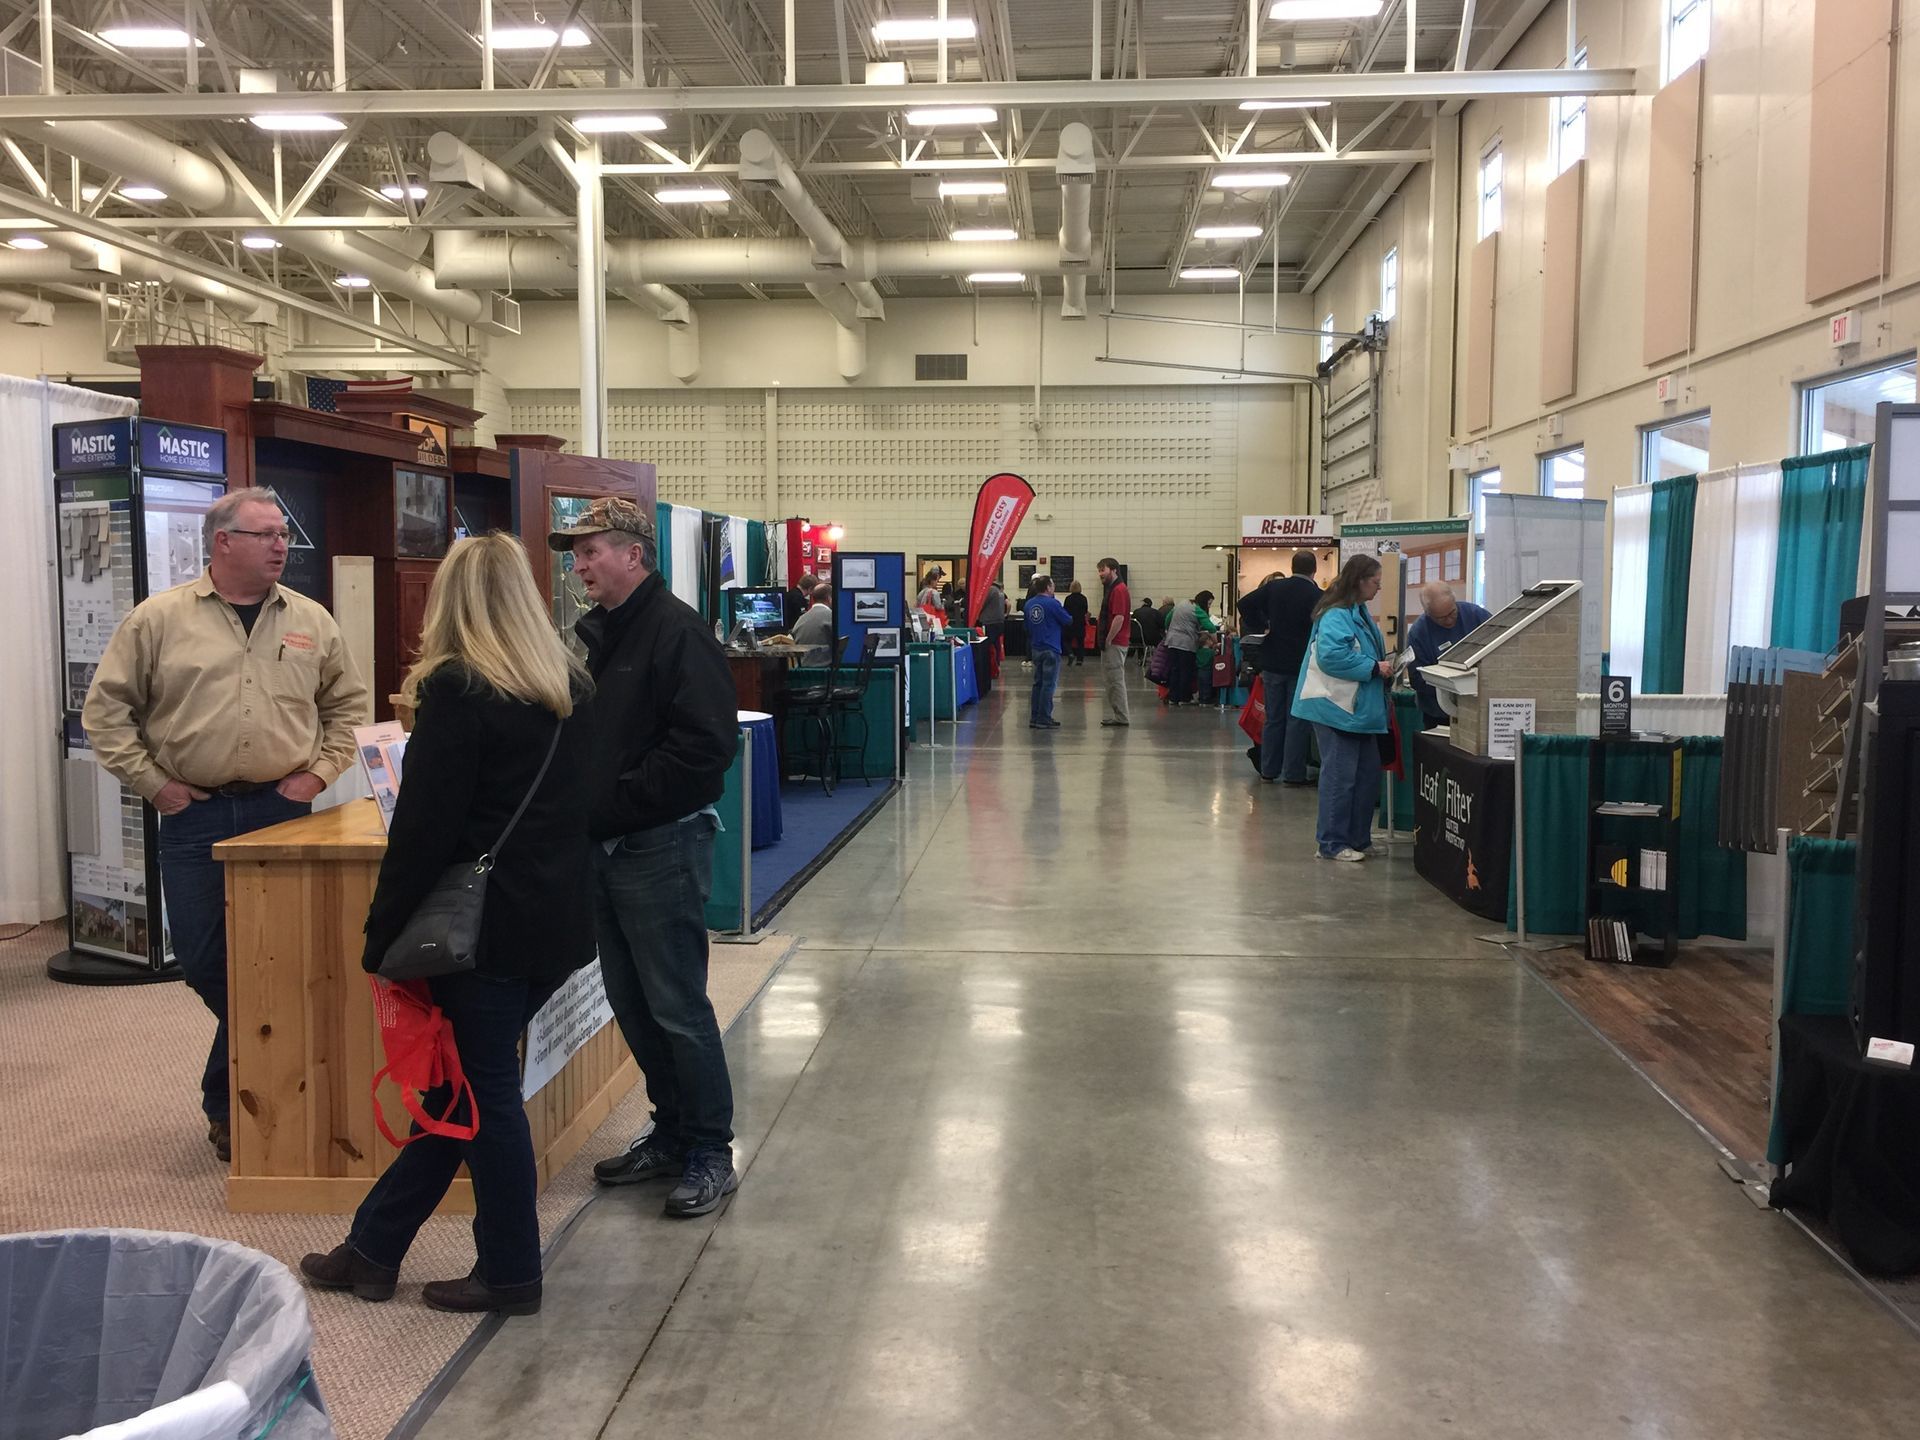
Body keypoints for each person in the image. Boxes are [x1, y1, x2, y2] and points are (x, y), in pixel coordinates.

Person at [300, 533, 594, 1317]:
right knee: (461, 1090)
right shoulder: (568, 687)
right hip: (552, 926)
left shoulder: (460, 692)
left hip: (481, 933)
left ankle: (510, 1273)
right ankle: (373, 1248)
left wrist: (380, 937)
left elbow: (424, 834)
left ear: (451, 602)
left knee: (482, 1098)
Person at [82, 488, 368, 1163]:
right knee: (212, 961)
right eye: (266, 534)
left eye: (283, 537)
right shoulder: (158, 620)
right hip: (195, 815)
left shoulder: (311, 620)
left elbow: (348, 706)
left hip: (283, 810)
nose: (281, 547)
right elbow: (106, 713)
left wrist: (319, 774)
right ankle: (256, 1076)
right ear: (222, 542)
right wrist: (155, 785)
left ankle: (228, 1103)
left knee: (281, 959)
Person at [560, 498, 744, 1218]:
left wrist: (615, 803)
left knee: (676, 1007)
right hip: (606, 847)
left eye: (589, 553)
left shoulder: (677, 633)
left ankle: (708, 1150)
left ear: (633, 554)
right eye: (575, 556)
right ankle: (670, 1132)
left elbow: (705, 750)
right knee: (632, 1004)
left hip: (659, 846)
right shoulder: (600, 635)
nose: (579, 568)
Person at [1290, 555, 1392, 862]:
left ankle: (1358, 839)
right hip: (1336, 708)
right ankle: (1332, 843)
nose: (1379, 587)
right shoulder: (1336, 615)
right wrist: (1375, 668)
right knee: (1340, 778)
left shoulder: (1356, 611)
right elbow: (1332, 657)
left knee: (1365, 777)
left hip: (1357, 710)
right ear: (1360, 581)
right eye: (1375, 581)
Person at [1250, 551, 1323, 785]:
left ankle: (1268, 770)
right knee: (1296, 720)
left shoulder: (1275, 588)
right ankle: (1293, 773)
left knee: (1273, 718)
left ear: (1292, 567)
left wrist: (1263, 625)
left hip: (1272, 661)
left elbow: (1245, 604)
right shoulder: (1316, 594)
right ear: (1314, 570)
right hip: (1300, 664)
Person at [1406, 580, 1491, 728]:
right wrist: (1452, 688)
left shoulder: (1476, 615)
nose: (1449, 620)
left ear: (1454, 601)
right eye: (1441, 618)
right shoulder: (1418, 633)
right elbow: (1417, 679)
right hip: (1439, 713)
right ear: (1428, 613)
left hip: (1479, 707)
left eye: (1452, 613)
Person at [1023, 576, 1074, 730]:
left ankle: (1034, 716)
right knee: (1048, 685)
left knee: (1037, 683)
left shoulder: (1029, 604)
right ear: (1048, 587)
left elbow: (1026, 627)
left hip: (1036, 648)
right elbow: (1067, 620)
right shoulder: (1053, 604)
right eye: (1052, 585)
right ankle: (1044, 718)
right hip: (1051, 647)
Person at [1162, 590, 1220, 706]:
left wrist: (1170, 631)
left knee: (1175, 670)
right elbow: (1211, 628)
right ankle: (1185, 698)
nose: (1209, 606)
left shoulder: (1182, 603)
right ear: (1204, 601)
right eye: (1209, 604)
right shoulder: (1198, 610)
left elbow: (1168, 619)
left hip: (1172, 642)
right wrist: (1215, 643)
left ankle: (1173, 698)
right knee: (1186, 671)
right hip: (1186, 644)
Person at [1096, 558, 1131, 727]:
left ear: (1114, 570)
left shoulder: (1118, 590)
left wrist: (1108, 639)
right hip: (1115, 641)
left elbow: (1119, 617)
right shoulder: (1116, 589)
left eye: (1103, 570)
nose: (1100, 574)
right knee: (1112, 680)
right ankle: (1119, 715)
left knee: (1115, 681)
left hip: (1114, 642)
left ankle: (1121, 716)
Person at [789, 578, 836, 666]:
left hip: (802, 667)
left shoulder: (801, 619)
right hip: (824, 668)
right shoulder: (831, 617)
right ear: (829, 598)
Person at [978, 579, 1008, 679]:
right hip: (1000, 621)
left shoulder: (990, 590)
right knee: (997, 645)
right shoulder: (1001, 592)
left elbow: (981, 604)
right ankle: (997, 665)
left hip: (989, 621)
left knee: (988, 645)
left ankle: (990, 668)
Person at [1063, 580, 1091, 666]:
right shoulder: (1083, 598)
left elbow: (1065, 611)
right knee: (1080, 642)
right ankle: (1080, 660)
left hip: (1070, 623)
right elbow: (1086, 611)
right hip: (1080, 623)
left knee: (1066, 641)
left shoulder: (1068, 598)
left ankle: (1070, 653)